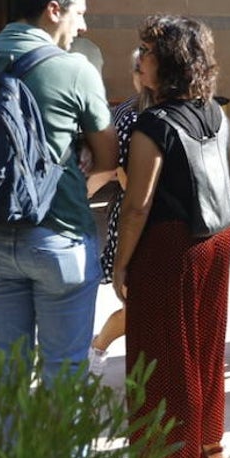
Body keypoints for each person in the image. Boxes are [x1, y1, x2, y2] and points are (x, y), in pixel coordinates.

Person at [0, 0, 117, 402]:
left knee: (3, 374)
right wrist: (80, 167)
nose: (83, 27)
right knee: (64, 375)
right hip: (57, 235)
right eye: (78, 15)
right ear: (53, 9)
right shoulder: (75, 68)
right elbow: (109, 156)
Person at [113, 15, 230, 458]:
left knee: (167, 353)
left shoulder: (154, 123)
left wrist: (122, 263)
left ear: (166, 63)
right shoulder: (216, 112)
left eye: (145, 51)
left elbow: (138, 204)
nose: (139, 59)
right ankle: (210, 444)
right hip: (218, 238)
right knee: (206, 342)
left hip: (171, 246)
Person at [89, 49, 154, 377]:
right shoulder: (130, 114)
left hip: (152, 219)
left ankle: (100, 349)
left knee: (144, 304)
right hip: (133, 218)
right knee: (138, 304)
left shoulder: (168, 111)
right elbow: (121, 172)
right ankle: (97, 347)